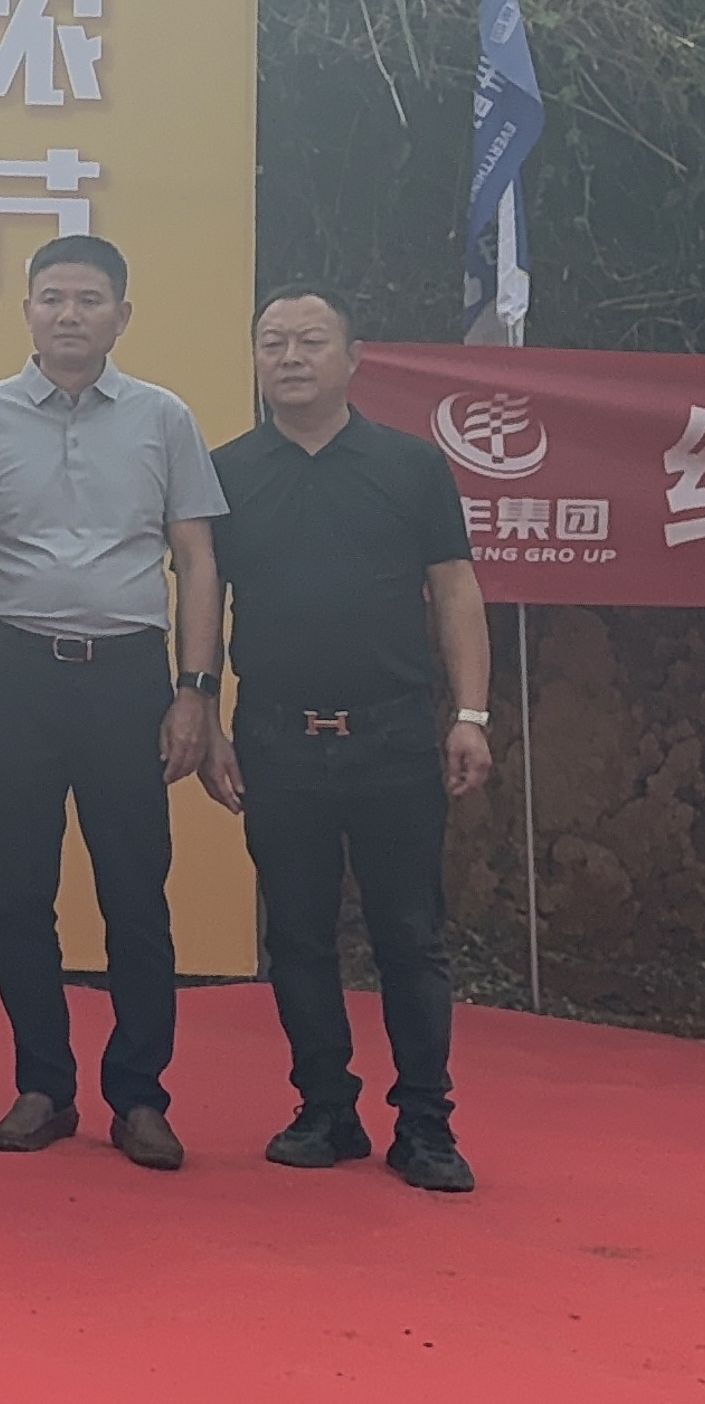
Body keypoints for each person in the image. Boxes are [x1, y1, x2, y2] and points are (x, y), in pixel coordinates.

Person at [0, 234, 226, 1169]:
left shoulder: (163, 418)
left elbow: (197, 561)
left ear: (122, 316)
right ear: (27, 310)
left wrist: (195, 691)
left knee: (136, 895)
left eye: (89, 299)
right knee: (21, 894)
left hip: (130, 678)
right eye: (52, 298)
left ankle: (139, 1096)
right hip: (14, 672)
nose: (69, 315)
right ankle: (43, 1086)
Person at [202, 282, 493, 1194]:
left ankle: (426, 1124)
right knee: (297, 935)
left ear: (354, 358)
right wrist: (202, 714)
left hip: (393, 736)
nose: (290, 358)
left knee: (411, 935)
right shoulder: (225, 473)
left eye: (310, 341)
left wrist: (471, 714)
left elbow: (455, 589)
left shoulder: (411, 467)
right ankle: (325, 1108)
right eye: (273, 343)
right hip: (276, 738)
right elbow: (204, 596)